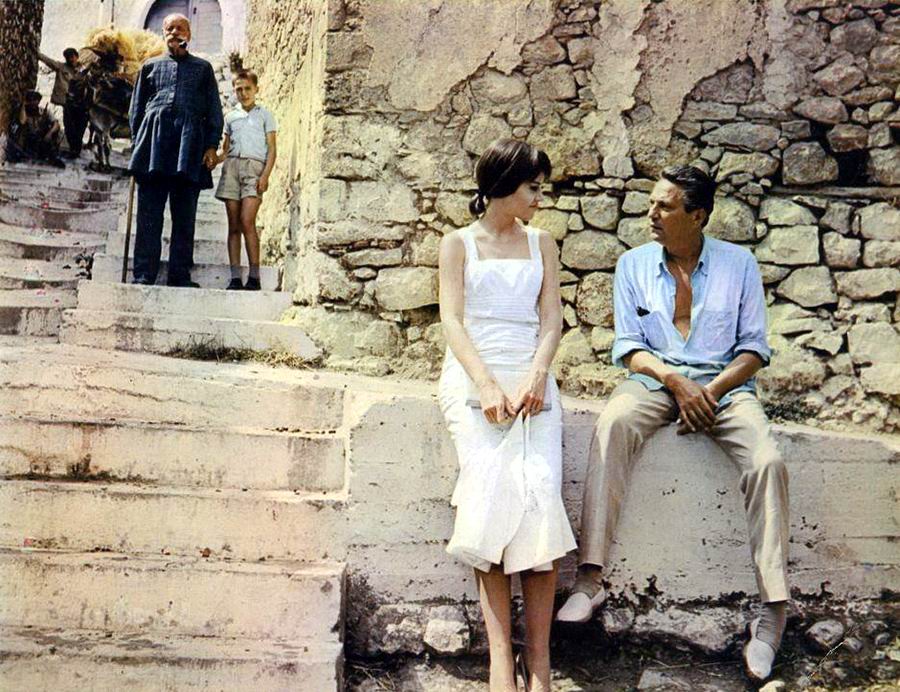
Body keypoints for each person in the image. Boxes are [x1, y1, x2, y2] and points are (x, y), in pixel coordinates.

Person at [556, 165, 789, 682]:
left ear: (698, 215)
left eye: (665, 206)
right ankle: (590, 579)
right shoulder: (633, 264)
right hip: (656, 381)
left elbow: (754, 349)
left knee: (768, 461)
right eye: (652, 204)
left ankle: (772, 615)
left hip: (725, 389)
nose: (652, 214)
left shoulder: (739, 265)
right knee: (614, 423)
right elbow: (629, 348)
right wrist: (675, 382)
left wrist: (710, 392)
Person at [438, 138, 576, 692]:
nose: (540, 198)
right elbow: (452, 322)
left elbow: (551, 321)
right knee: (490, 490)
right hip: (474, 377)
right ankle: (500, 657)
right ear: (503, 186)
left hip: (532, 379)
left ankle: (539, 660)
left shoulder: (542, 243)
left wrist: (538, 375)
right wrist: (486, 382)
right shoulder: (457, 244)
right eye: (533, 188)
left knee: (539, 490)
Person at [128, 13, 224, 287]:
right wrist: (139, 144)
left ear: (189, 35)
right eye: (169, 28)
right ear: (163, 33)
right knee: (149, 214)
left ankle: (179, 275)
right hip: (154, 148)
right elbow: (136, 110)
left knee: (184, 216)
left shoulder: (203, 69)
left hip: (188, 149)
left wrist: (211, 145)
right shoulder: (149, 66)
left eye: (180, 28)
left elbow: (214, 111)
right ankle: (144, 273)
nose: (174, 32)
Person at [214, 69, 277, 291]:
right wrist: (214, 159)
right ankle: (234, 277)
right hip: (232, 169)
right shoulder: (231, 117)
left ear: (256, 89)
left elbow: (272, 149)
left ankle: (254, 276)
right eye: (239, 89)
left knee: (247, 220)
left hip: (254, 170)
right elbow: (225, 150)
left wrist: (265, 175)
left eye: (247, 88)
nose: (243, 93)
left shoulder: (265, 115)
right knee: (233, 225)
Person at [38, 47, 88, 158]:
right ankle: (73, 150)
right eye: (68, 57)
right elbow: (48, 61)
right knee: (69, 127)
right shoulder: (61, 67)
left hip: (80, 105)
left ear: (77, 57)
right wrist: (37, 53)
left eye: (72, 57)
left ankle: (76, 150)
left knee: (80, 128)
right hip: (67, 103)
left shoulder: (83, 70)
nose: (71, 59)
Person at [6, 90, 65, 168]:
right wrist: (24, 106)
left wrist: (49, 133)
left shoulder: (43, 111)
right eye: (31, 100)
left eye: (35, 100)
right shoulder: (24, 112)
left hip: (42, 139)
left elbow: (56, 124)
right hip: (29, 141)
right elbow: (22, 121)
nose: (33, 103)